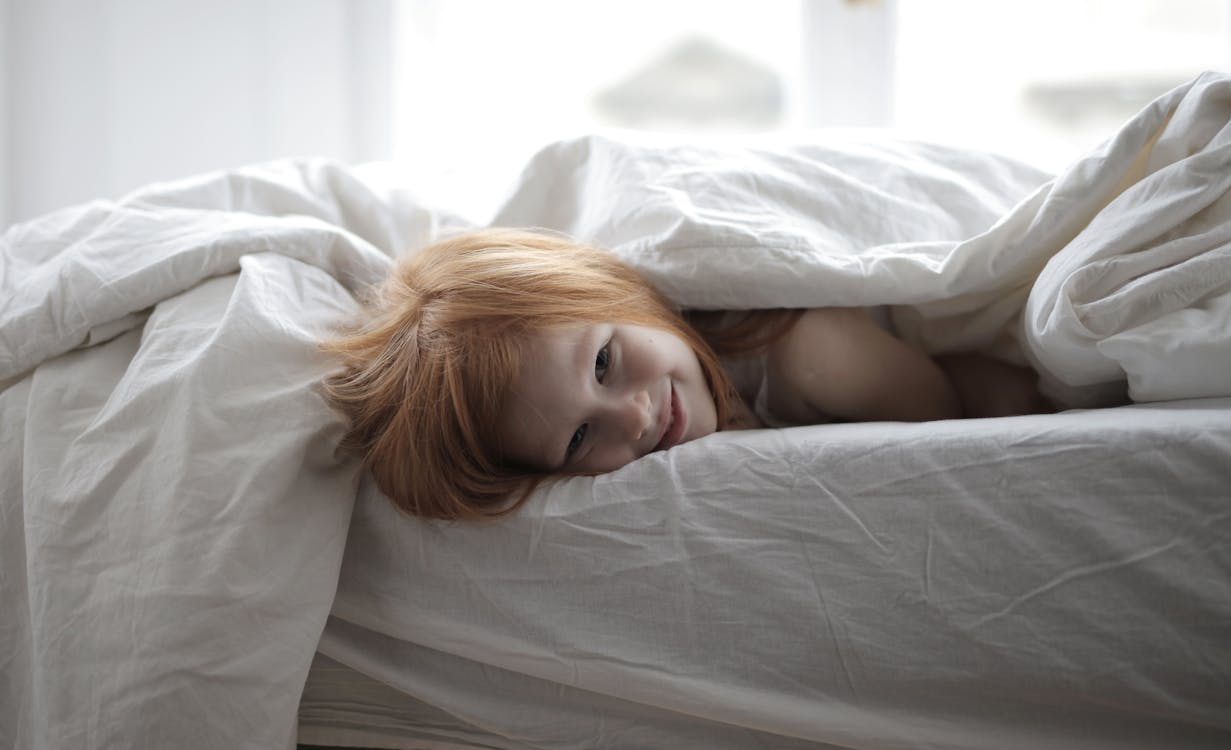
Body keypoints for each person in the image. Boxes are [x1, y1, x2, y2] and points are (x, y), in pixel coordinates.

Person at [321, 228, 1048, 520]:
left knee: (1008, 393)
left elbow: (941, 420)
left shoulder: (808, 350)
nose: (634, 417)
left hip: (932, 371)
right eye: (578, 438)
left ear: (619, 293)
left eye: (605, 362)